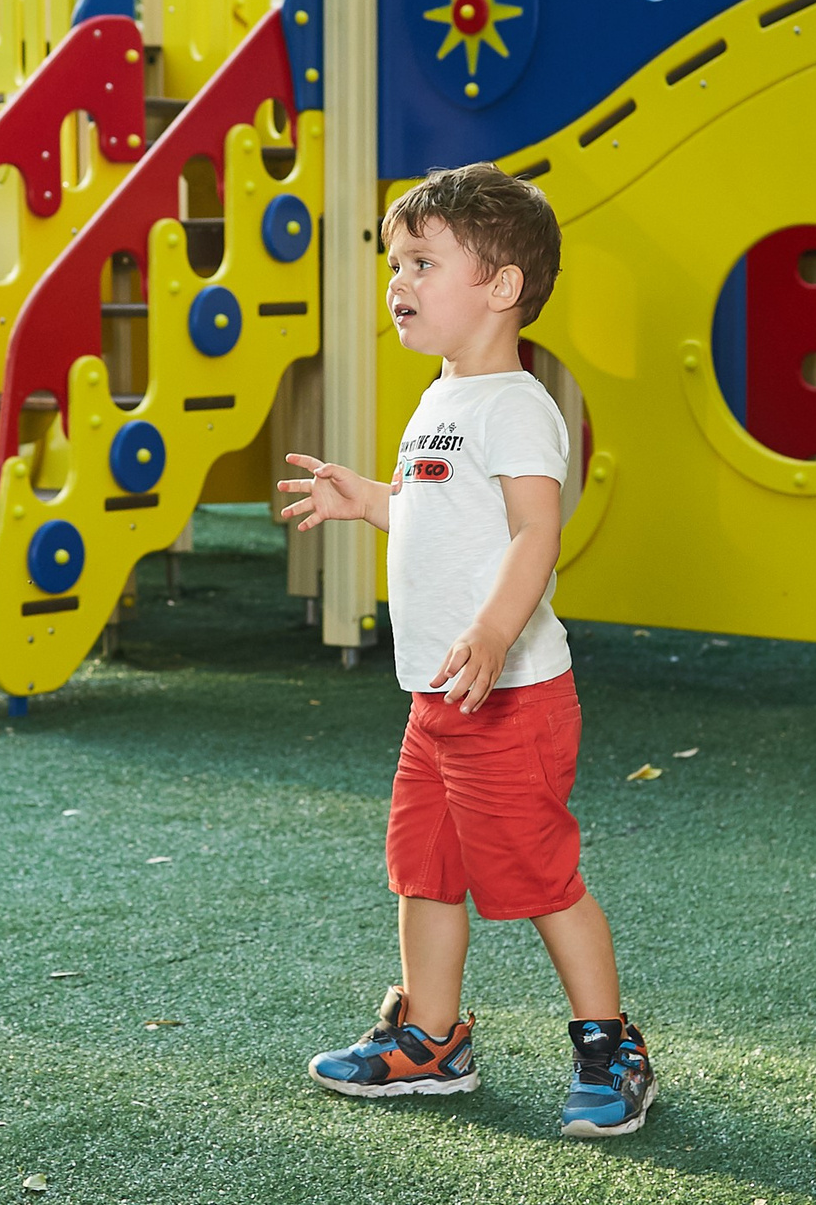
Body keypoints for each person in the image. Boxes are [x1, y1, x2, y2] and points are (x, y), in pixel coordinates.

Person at [280, 162, 652, 1139]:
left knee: (539, 878)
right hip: (437, 699)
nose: (397, 282)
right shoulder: (442, 395)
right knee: (424, 869)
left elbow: (535, 530)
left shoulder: (515, 404)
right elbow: (440, 518)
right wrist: (370, 501)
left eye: (421, 263)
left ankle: (609, 1045)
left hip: (512, 699)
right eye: (394, 264)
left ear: (501, 287)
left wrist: (493, 629)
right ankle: (431, 1038)